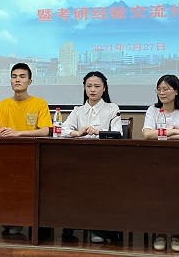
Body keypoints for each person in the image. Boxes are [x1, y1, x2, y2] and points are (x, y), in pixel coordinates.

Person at [0, 62, 52, 235]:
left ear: (30, 81)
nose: (17, 80)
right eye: (14, 77)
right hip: (4, 156)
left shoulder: (39, 104)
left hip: (30, 155)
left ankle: (26, 220)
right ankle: (12, 219)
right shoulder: (1, 105)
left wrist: (19, 133)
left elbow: (45, 130)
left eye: (22, 77)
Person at [60, 71, 122, 243]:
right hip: (79, 160)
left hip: (104, 160)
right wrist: (77, 133)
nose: (92, 90)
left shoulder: (112, 109)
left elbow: (118, 133)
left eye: (97, 86)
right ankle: (71, 225)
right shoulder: (78, 110)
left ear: (104, 88)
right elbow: (62, 129)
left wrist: (98, 132)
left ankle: (99, 229)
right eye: (89, 86)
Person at [142, 74, 179, 252]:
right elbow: (147, 134)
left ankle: (176, 234)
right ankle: (160, 233)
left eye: (166, 89)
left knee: (178, 197)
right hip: (156, 161)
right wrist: (175, 132)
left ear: (176, 91)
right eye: (159, 89)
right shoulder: (153, 110)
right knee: (158, 196)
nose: (162, 93)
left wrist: (166, 134)